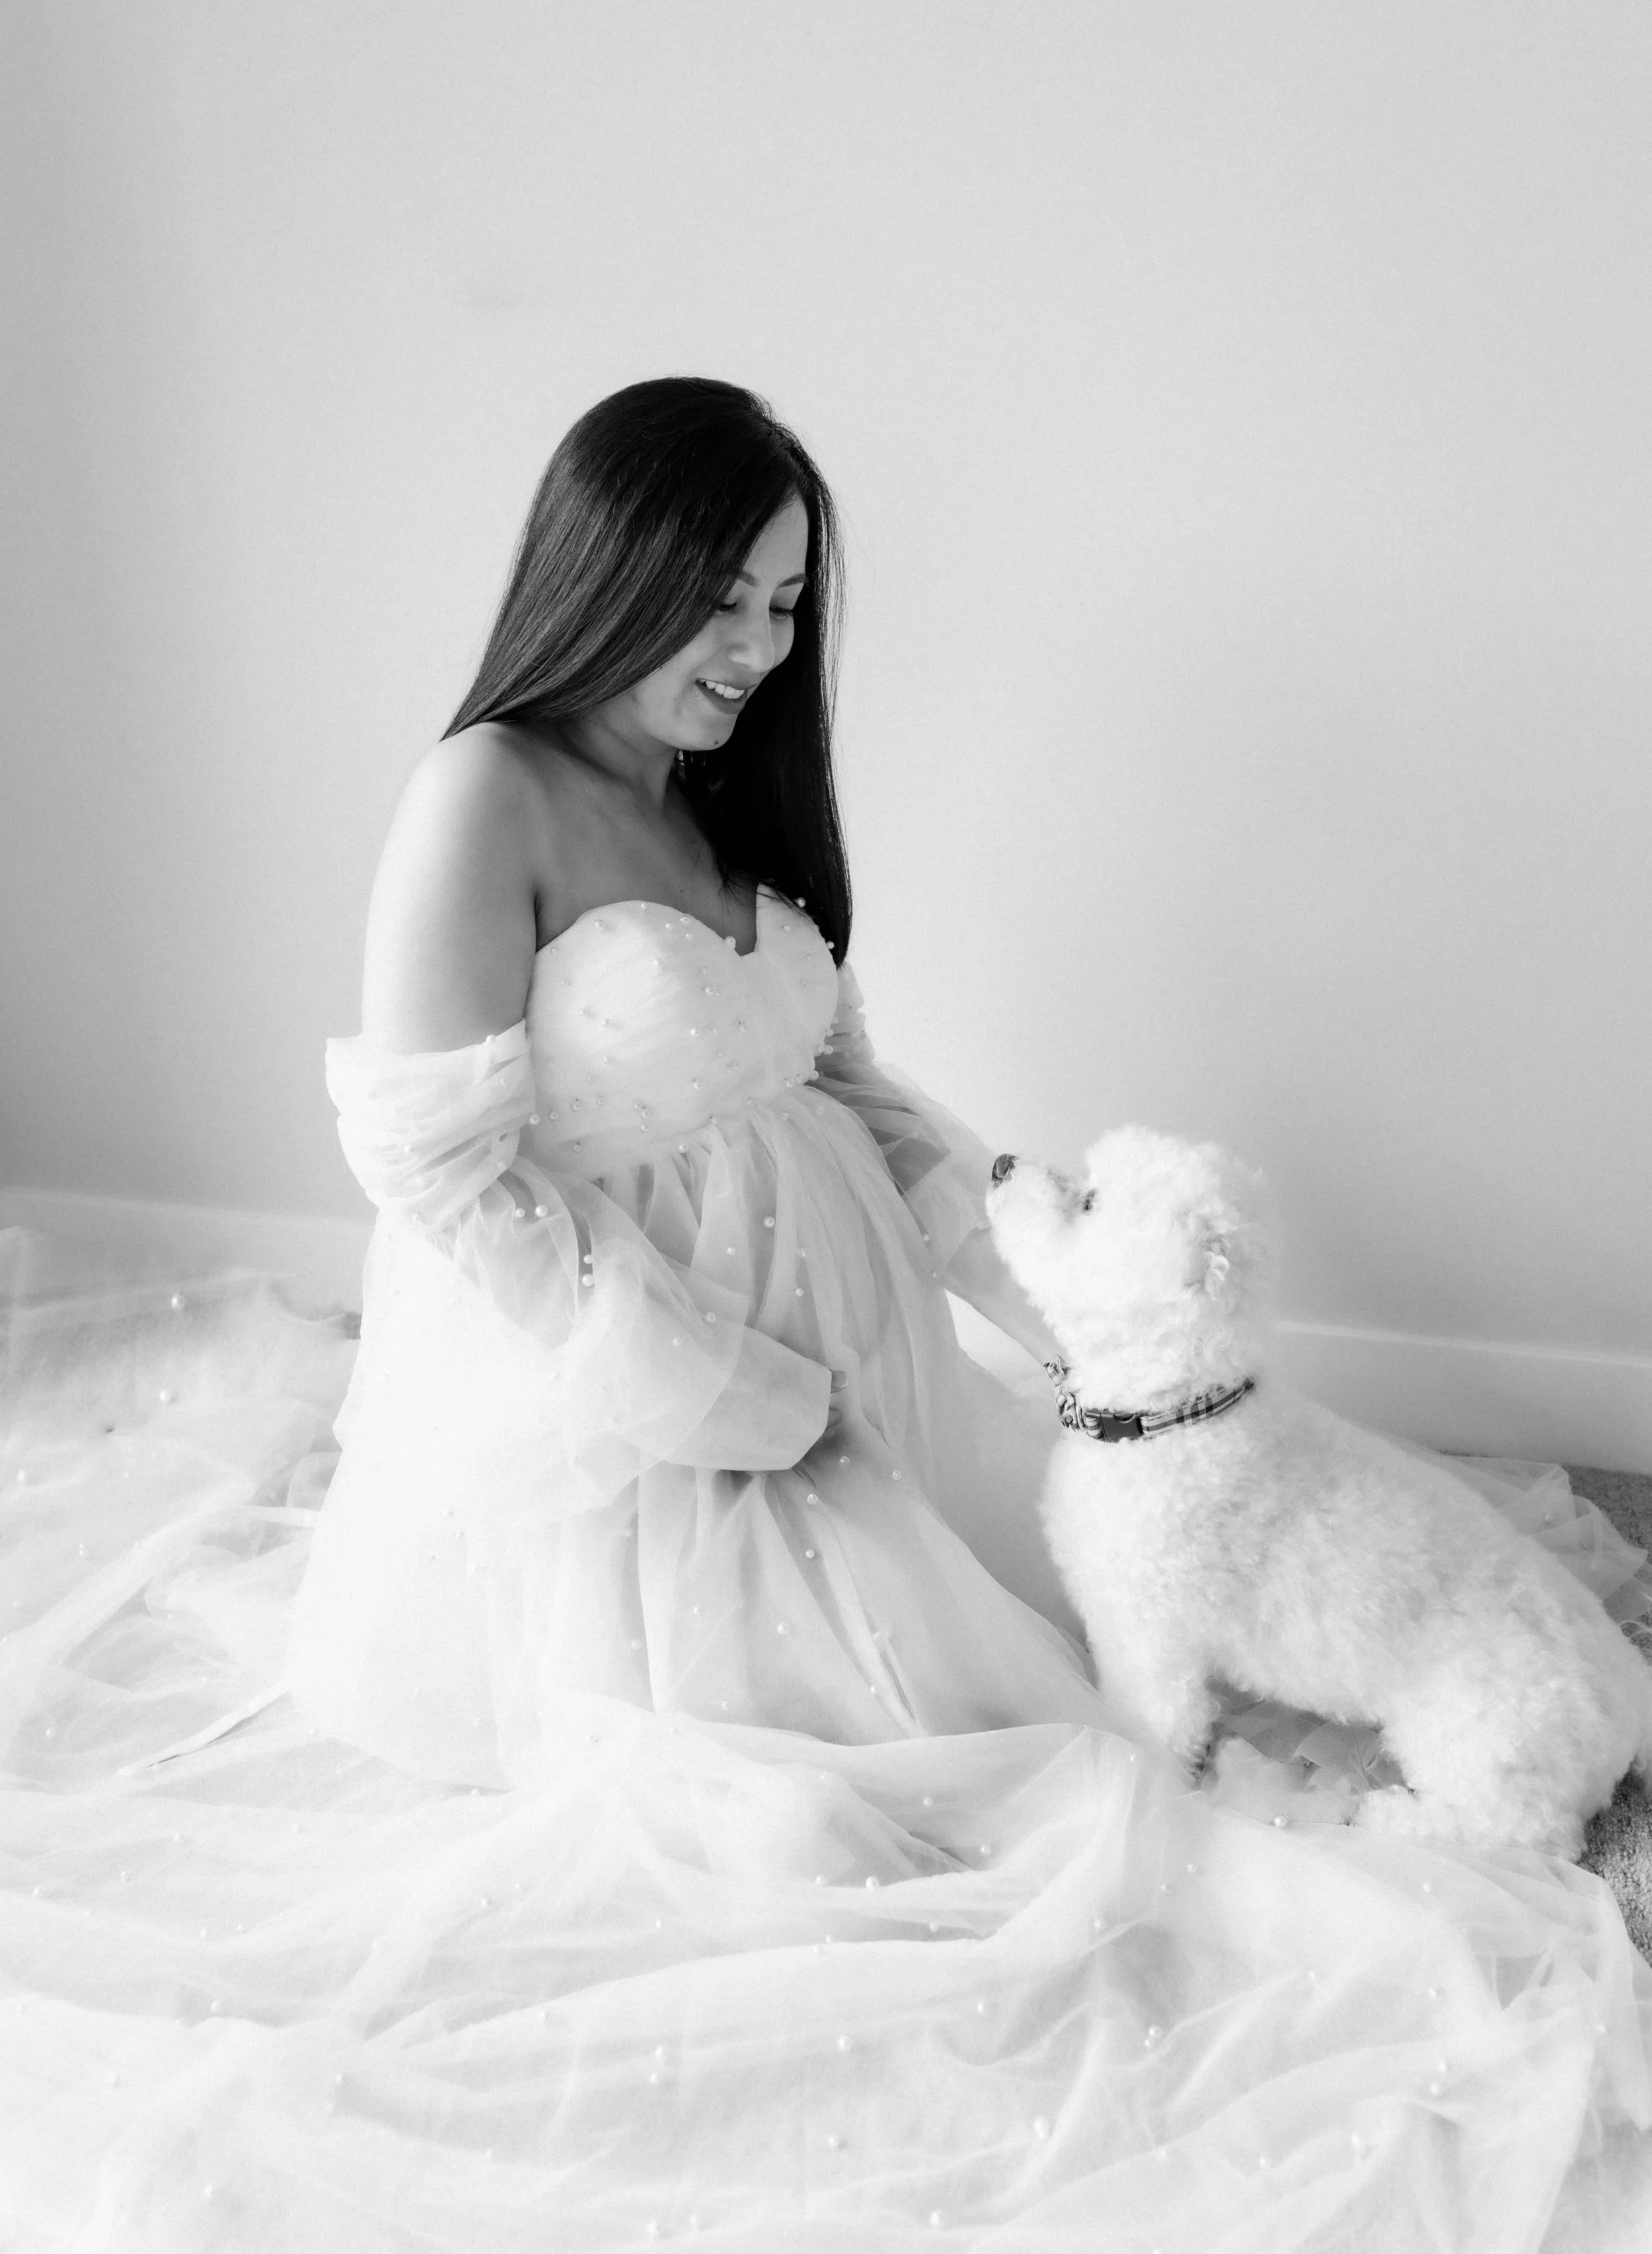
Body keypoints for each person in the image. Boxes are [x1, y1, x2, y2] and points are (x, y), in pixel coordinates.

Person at [5, 376, 1652, 2249]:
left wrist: (1033, 1308)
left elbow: (859, 1097)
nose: (759, 646)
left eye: (787, 606)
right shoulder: (484, 796)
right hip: (645, 1405)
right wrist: (711, 1389)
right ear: (610, 568)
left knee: (1108, 1623)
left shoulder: (719, 798)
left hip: (851, 1382)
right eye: (728, 596)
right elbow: (442, 1171)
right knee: (918, 1805)